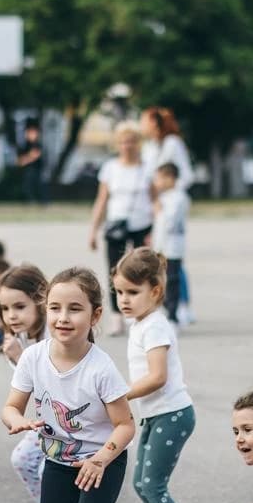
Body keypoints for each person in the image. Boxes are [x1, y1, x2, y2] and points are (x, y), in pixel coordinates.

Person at [1, 267, 136, 503]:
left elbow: (125, 426)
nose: (63, 318)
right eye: (55, 308)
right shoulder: (32, 357)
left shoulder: (100, 367)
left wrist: (101, 460)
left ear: (94, 316)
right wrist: (18, 421)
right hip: (58, 462)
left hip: (101, 463)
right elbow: (10, 407)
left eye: (75, 309)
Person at [111, 248, 202, 503]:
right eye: (119, 292)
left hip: (172, 414)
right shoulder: (140, 324)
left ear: (155, 291)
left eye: (132, 292)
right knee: (142, 483)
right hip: (155, 415)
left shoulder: (156, 327)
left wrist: (120, 394)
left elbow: (157, 376)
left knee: (153, 484)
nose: (124, 299)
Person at [0, 264, 49, 503]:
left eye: (20, 306)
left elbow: (55, 386)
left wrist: (20, 356)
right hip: (46, 421)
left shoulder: (54, 336)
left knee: (48, 470)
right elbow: (26, 387)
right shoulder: (22, 338)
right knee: (23, 459)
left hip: (75, 423)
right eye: (5, 308)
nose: (11, 315)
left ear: (40, 302)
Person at [89, 121, 154, 335]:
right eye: (124, 141)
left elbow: (155, 200)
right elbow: (102, 199)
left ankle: (138, 313)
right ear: (118, 144)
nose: (128, 145)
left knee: (139, 271)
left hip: (141, 224)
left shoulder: (147, 168)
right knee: (115, 271)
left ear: (139, 143)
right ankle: (117, 315)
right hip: (116, 224)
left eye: (132, 141)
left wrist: (155, 230)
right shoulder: (110, 168)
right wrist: (93, 230)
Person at [151, 162, 189, 324]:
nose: (157, 183)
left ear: (170, 178)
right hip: (161, 247)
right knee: (160, 279)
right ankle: (165, 309)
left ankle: (173, 313)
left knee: (171, 280)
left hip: (172, 248)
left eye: (159, 179)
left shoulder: (178, 198)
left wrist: (159, 210)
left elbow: (169, 223)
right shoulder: (165, 197)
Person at [140, 107, 192, 190]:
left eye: (143, 121)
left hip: (171, 197)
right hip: (153, 198)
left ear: (154, 122)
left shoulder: (172, 143)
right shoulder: (148, 146)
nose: (141, 125)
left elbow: (187, 176)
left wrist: (171, 189)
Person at [17, 120, 47, 204]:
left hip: (38, 168)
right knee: (26, 186)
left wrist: (25, 159)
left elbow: (34, 155)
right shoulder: (24, 145)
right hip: (28, 169)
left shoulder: (38, 144)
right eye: (28, 132)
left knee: (40, 186)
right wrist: (26, 158)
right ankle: (30, 202)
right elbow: (20, 159)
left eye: (31, 132)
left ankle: (44, 202)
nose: (29, 135)